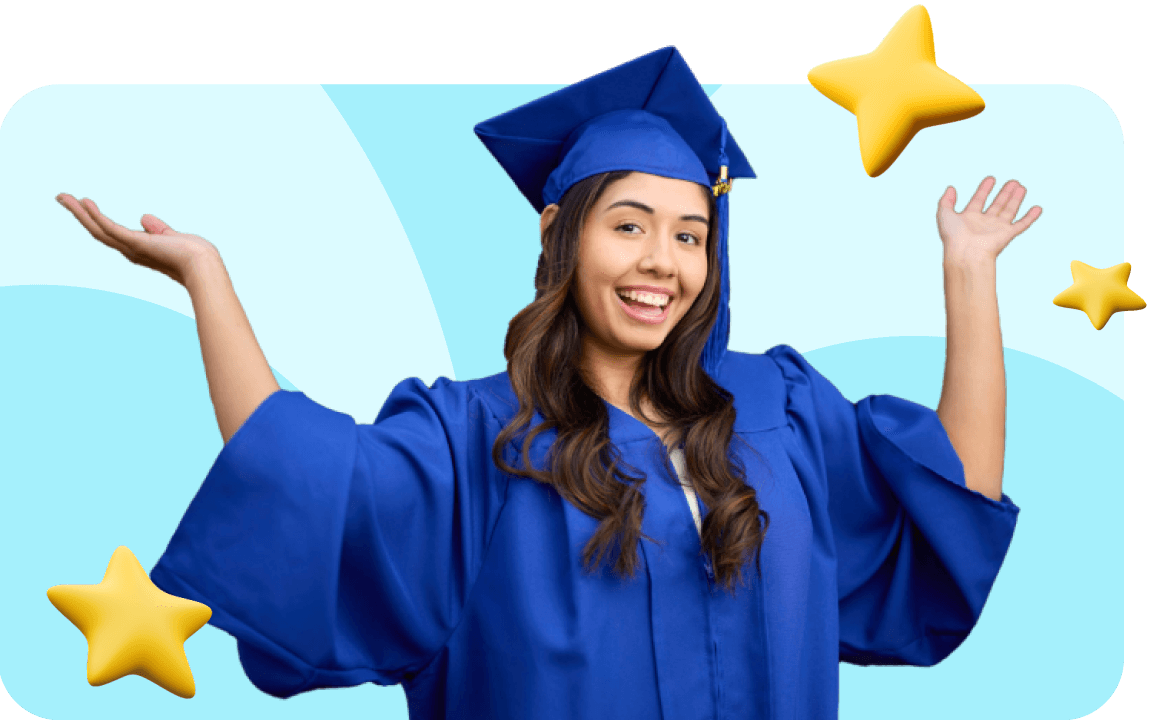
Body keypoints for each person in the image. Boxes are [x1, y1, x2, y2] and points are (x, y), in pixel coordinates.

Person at [55, 47, 1020, 720]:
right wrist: (207, 280)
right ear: (561, 230)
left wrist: (968, 273)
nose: (664, 263)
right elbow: (300, 478)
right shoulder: (475, 440)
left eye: (691, 236)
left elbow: (951, 503)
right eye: (629, 224)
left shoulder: (780, 412)